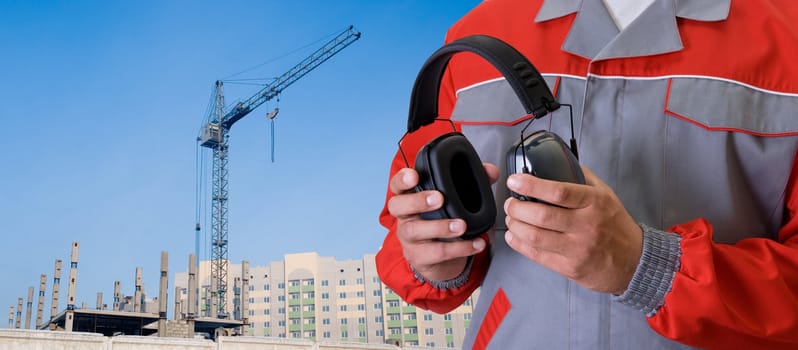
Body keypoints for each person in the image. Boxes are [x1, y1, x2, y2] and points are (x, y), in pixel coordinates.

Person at [375, 0, 798, 349]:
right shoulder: (478, 36)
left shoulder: (788, 34)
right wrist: (434, 258)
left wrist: (649, 268)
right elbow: (406, 233)